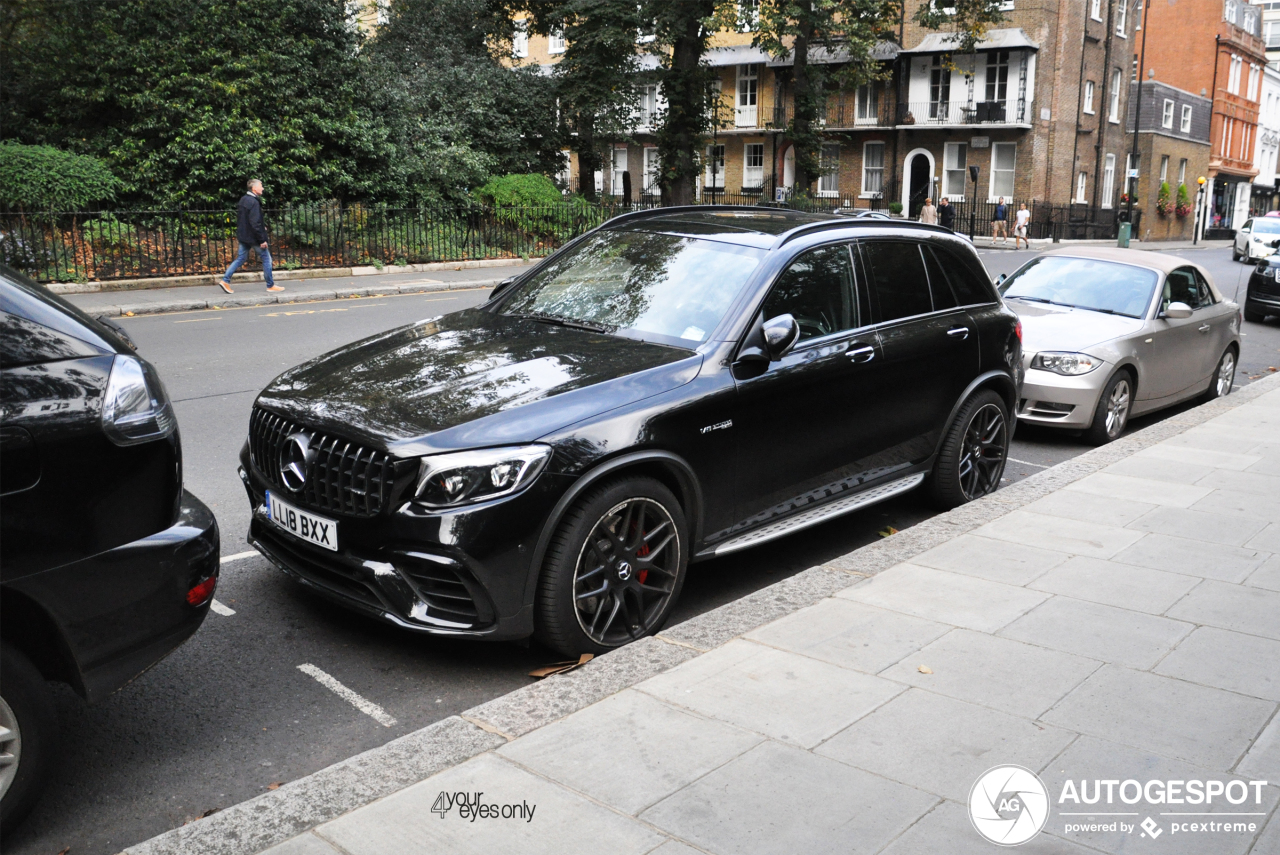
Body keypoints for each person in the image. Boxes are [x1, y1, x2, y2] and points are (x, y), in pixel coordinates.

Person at [218, 179, 284, 295]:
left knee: (240, 259)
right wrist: (262, 239)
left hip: (244, 236)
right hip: (253, 237)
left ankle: (225, 280)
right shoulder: (253, 202)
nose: (262, 188)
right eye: (261, 186)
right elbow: (255, 222)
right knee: (267, 258)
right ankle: (270, 285)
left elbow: (245, 220)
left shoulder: (243, 199)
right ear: (254, 188)